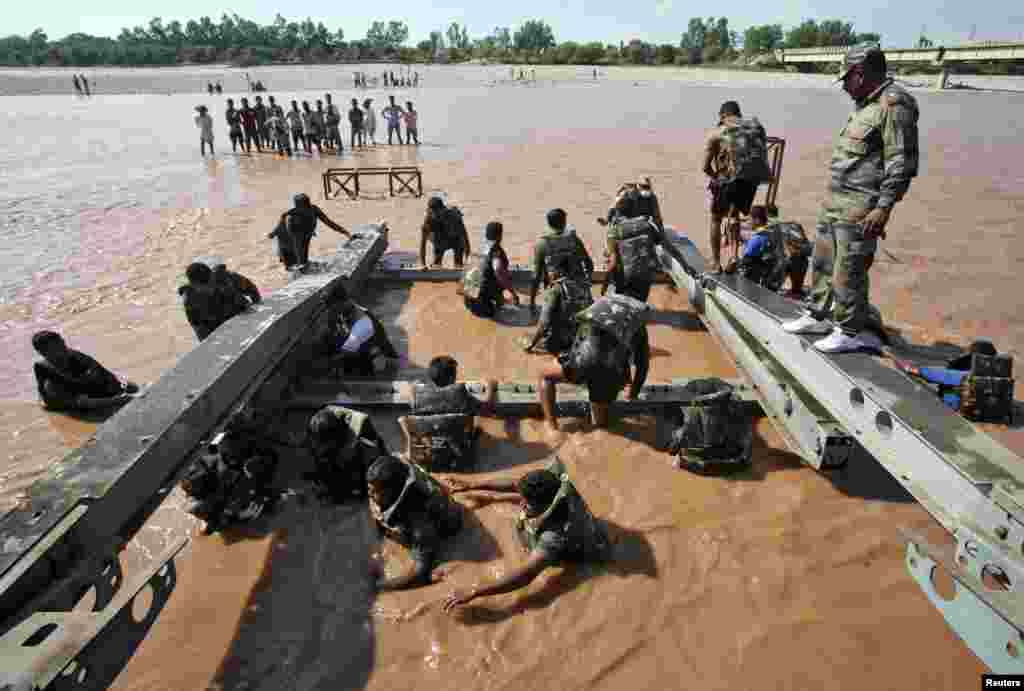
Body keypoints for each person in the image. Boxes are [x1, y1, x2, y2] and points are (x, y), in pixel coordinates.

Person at [782, 44, 920, 353]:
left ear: (862, 73)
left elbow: (901, 163)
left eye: (848, 77)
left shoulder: (893, 105)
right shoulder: (865, 106)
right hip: (837, 202)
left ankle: (849, 330)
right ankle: (817, 314)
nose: (844, 84)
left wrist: (883, 208)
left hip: (861, 206)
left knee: (849, 270)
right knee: (821, 262)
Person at [441, 455, 609, 612]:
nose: (521, 505)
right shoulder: (552, 485)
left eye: (527, 505)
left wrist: (474, 591)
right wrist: (472, 485)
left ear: (546, 507)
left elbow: (526, 575)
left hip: (578, 548)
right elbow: (515, 485)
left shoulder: (553, 536)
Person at [537, 294, 650, 431]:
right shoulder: (637, 324)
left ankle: (552, 428)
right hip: (611, 371)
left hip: (584, 361)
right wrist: (633, 392)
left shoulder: (598, 308)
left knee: (545, 375)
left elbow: (574, 337)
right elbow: (642, 364)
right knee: (600, 426)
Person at [367, 455, 465, 591]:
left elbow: (420, 574)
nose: (370, 494)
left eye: (374, 492)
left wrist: (379, 586)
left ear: (391, 492)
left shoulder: (419, 521)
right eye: (369, 489)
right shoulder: (399, 464)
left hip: (445, 524)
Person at [181, 410, 281, 535]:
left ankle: (255, 502)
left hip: (243, 477)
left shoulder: (236, 449)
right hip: (228, 493)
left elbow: (267, 459)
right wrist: (237, 516)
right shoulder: (201, 489)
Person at [703, 101, 772, 273]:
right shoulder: (752, 129)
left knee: (716, 218)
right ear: (739, 114)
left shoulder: (717, 133)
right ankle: (734, 256)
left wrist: (717, 178)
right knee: (733, 215)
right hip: (750, 180)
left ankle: (716, 263)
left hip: (729, 179)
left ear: (722, 115)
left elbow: (705, 167)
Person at [397, 356, 499, 471]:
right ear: (452, 377)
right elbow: (485, 405)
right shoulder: (460, 392)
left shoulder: (417, 394)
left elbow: (412, 393)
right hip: (457, 444)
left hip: (432, 444)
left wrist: (414, 387)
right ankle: (468, 443)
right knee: (468, 417)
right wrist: (490, 386)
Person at [893, 340, 1014, 423]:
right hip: (991, 413)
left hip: (954, 409)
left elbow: (928, 374)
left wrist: (905, 366)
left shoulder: (965, 376)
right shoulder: (1000, 379)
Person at [31, 331, 139, 412]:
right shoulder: (50, 382)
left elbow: (105, 374)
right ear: (43, 353)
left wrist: (125, 385)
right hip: (76, 404)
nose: (63, 348)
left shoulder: (72, 355)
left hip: (90, 393)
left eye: (62, 343)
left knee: (133, 388)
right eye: (56, 347)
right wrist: (119, 400)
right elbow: (80, 402)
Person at [306, 405, 389, 503]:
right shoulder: (318, 422)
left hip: (365, 453)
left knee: (362, 457)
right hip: (337, 441)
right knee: (324, 457)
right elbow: (315, 449)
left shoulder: (360, 425)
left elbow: (378, 456)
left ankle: (355, 487)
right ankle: (333, 486)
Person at [522, 253, 594, 355]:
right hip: (581, 339)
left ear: (559, 271)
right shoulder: (585, 286)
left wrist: (531, 344)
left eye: (551, 270)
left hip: (561, 342)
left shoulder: (556, 290)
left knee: (524, 338)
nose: (549, 273)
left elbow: (544, 323)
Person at [528, 208, 594, 312]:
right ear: (564, 222)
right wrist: (586, 284)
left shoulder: (542, 244)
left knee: (544, 325)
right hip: (580, 289)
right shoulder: (574, 239)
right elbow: (589, 264)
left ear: (548, 223)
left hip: (557, 291)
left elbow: (536, 276)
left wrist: (531, 302)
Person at [269, 193, 351, 268]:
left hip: (304, 236)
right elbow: (296, 242)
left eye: (307, 205)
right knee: (296, 265)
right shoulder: (292, 218)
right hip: (287, 244)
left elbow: (329, 223)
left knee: (303, 262)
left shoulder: (314, 209)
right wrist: (301, 262)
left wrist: (345, 232)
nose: (306, 209)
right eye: (304, 207)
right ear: (297, 207)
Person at [462, 221, 519, 318]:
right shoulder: (496, 250)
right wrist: (513, 293)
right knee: (504, 276)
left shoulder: (479, 247)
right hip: (483, 308)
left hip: (467, 301)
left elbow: (468, 274)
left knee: (487, 274)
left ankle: (498, 301)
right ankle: (498, 302)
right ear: (500, 236)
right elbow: (498, 271)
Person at [332, 297, 401, 376]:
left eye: (335, 307)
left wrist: (335, 359)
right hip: (376, 354)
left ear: (343, 303)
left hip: (381, 360)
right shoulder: (352, 310)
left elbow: (349, 349)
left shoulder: (360, 319)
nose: (335, 310)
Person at [178, 262, 243, 341]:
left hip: (243, 316)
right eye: (204, 287)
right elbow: (200, 330)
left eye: (210, 282)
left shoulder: (226, 277)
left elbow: (252, 291)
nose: (210, 288)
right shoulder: (190, 300)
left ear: (212, 275)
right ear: (194, 285)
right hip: (219, 331)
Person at [420, 196, 471, 269]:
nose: (435, 215)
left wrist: (467, 259)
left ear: (443, 209)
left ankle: (458, 264)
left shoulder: (454, 216)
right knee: (437, 265)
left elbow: (465, 238)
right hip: (439, 240)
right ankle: (437, 261)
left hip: (454, 240)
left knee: (458, 262)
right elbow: (423, 244)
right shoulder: (428, 221)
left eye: (438, 213)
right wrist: (423, 264)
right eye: (433, 213)